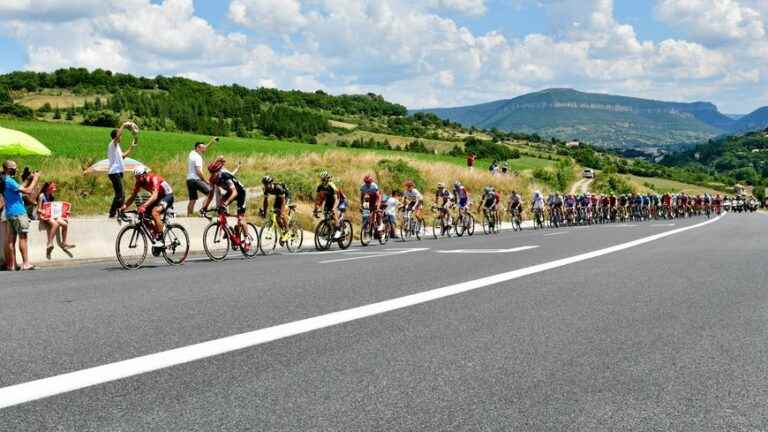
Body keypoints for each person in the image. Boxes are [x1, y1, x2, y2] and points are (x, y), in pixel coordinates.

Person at [2, 160, 40, 271]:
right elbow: (27, 191)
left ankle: (12, 265)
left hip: (9, 213)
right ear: (9, 169)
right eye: (15, 168)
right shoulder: (9, 180)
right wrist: (36, 179)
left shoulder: (5, 180)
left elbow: (19, 189)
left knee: (11, 240)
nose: (17, 169)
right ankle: (26, 263)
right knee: (23, 237)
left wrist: (28, 179)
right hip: (18, 212)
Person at [121, 166, 173, 244]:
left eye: (139, 177)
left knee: (154, 212)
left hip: (167, 195)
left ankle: (160, 236)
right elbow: (133, 197)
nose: (137, 179)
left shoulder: (154, 178)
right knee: (142, 215)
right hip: (158, 197)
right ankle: (155, 233)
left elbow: (154, 195)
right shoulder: (139, 182)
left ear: (144, 175)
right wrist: (124, 206)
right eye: (136, 177)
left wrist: (144, 206)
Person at [202, 156, 248, 233]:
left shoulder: (225, 176)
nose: (212, 175)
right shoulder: (212, 179)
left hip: (240, 192)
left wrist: (226, 204)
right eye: (211, 173)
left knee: (241, 218)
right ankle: (227, 230)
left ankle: (247, 240)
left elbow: (235, 192)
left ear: (218, 171)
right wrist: (204, 208)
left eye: (214, 173)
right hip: (230, 192)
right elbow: (210, 195)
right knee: (220, 209)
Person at [107, 121, 138, 218]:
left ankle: (113, 212)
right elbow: (117, 137)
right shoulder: (113, 144)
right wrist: (124, 125)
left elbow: (123, 156)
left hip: (118, 173)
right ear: (116, 136)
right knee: (121, 195)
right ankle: (119, 213)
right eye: (119, 135)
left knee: (119, 194)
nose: (121, 137)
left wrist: (131, 147)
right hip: (114, 172)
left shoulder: (117, 147)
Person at [37, 181, 75, 259]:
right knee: (55, 224)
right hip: (44, 215)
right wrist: (43, 211)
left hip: (51, 215)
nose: (55, 187)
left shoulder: (51, 196)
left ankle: (64, 243)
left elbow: (53, 208)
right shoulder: (42, 196)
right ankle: (50, 243)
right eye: (53, 186)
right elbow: (38, 209)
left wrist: (65, 212)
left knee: (65, 224)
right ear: (48, 187)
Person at [186, 138, 217, 216]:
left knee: (192, 199)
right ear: (198, 148)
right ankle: (203, 211)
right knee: (210, 192)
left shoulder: (192, 153)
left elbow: (205, 147)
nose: (204, 149)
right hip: (196, 180)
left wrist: (211, 142)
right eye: (202, 148)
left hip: (189, 180)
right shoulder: (198, 158)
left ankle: (189, 216)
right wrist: (205, 181)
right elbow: (198, 171)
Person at [313, 171, 347, 239]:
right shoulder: (320, 187)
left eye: (324, 179)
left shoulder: (331, 185)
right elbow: (318, 199)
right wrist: (315, 209)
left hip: (340, 200)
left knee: (333, 214)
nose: (322, 180)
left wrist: (334, 208)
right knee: (327, 216)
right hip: (329, 201)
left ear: (327, 179)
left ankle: (339, 230)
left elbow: (336, 198)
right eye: (321, 179)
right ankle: (331, 230)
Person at [261, 175, 291, 241]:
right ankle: (283, 231)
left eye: (267, 184)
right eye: (264, 184)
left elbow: (283, 202)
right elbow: (265, 202)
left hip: (286, 195)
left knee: (281, 214)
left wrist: (282, 212)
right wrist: (265, 212)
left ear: (271, 183)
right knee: (277, 217)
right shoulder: (266, 189)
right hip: (278, 196)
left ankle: (287, 231)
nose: (266, 186)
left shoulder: (278, 188)